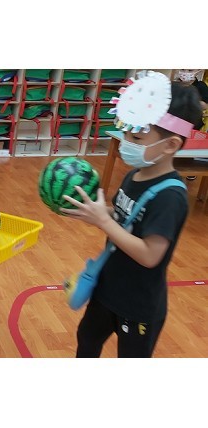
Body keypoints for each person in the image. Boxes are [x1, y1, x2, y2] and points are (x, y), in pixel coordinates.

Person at [61, 72, 204, 357]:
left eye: (136, 136)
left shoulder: (170, 197)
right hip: (108, 288)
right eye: (126, 132)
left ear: (171, 145)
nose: (126, 141)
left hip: (138, 304)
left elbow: (150, 255)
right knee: (87, 339)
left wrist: (104, 221)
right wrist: (97, 212)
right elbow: (124, 216)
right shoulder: (135, 175)